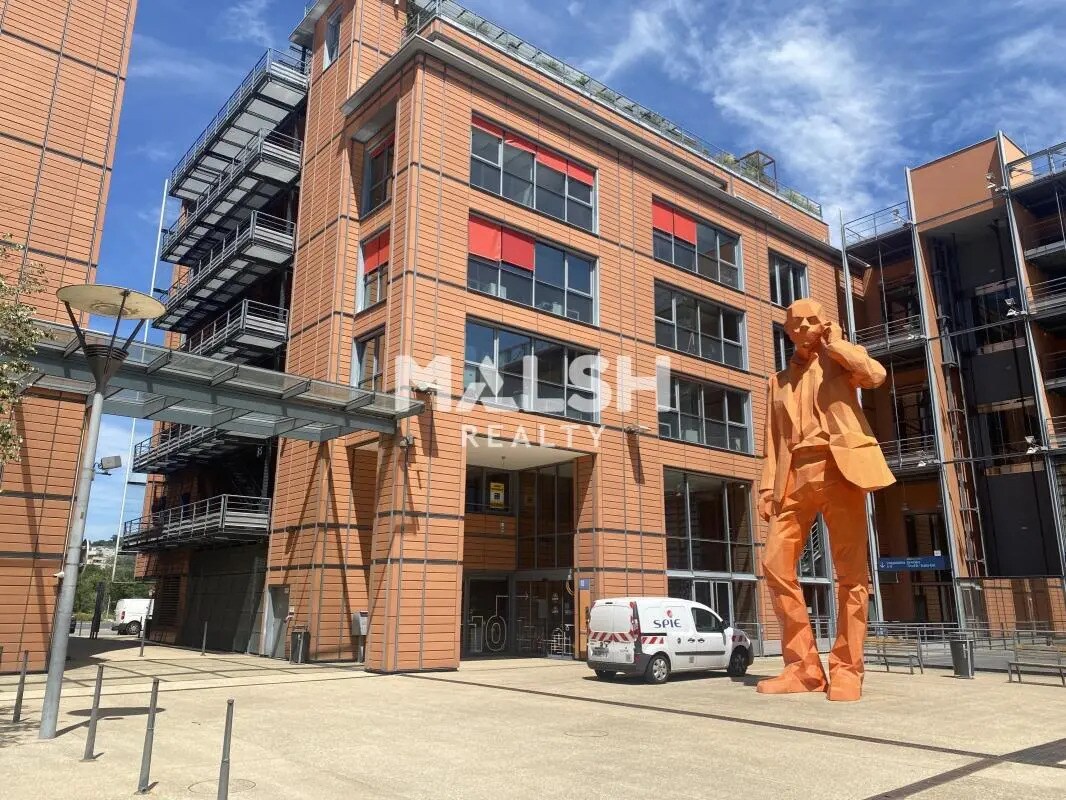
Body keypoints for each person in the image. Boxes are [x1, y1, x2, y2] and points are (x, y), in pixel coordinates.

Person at [758, 298, 895, 701]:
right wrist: (768, 486)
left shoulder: (839, 362)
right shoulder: (776, 382)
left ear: (823, 324)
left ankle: (848, 669)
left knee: (851, 573)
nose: (803, 328)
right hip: (793, 475)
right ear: (786, 330)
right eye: (795, 323)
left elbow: (875, 375)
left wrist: (837, 343)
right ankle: (802, 668)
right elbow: (772, 440)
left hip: (840, 469)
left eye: (811, 321)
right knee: (774, 564)